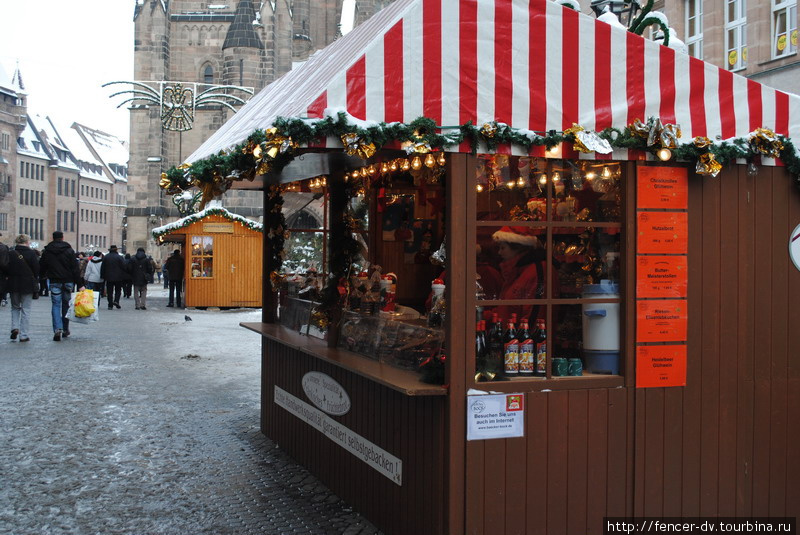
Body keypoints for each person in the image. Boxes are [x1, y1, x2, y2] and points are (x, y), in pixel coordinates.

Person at [490, 226, 548, 325]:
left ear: (517, 247)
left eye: (503, 247)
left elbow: (534, 312)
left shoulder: (535, 270)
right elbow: (507, 308)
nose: (499, 252)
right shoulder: (517, 271)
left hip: (521, 337)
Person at [39, 231, 82, 341]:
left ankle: (58, 328)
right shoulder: (69, 250)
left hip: (54, 281)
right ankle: (66, 329)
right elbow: (75, 268)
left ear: (53, 238)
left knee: (56, 305)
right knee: (66, 305)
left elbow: (42, 266)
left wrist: (42, 277)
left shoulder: (47, 251)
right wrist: (80, 284)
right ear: (62, 238)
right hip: (68, 281)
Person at [6, 234, 39, 342]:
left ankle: (14, 327)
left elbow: (6, 268)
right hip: (27, 284)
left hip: (13, 283)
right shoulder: (31, 253)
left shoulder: (11, 253)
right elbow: (36, 270)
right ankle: (24, 334)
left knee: (15, 307)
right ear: (26, 242)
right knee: (26, 309)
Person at [100, 245, 128, 310]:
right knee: (118, 290)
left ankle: (110, 304)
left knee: (109, 291)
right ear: (116, 250)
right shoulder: (119, 257)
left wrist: (102, 276)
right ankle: (116, 301)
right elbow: (124, 267)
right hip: (118, 277)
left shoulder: (106, 257)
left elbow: (103, 267)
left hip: (108, 277)